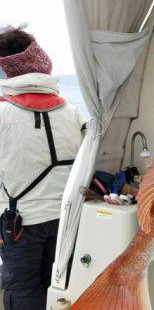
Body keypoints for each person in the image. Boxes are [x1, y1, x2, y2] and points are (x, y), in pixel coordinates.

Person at [0, 27, 83, 310]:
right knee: (53, 289)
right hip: (64, 219)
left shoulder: (2, 111)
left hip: (21, 223)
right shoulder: (71, 112)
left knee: (21, 290)